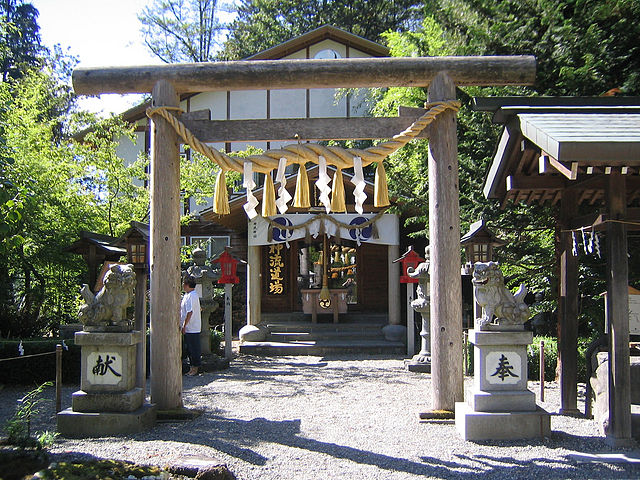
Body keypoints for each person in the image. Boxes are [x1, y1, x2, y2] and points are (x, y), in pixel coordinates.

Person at [180, 276, 202, 376]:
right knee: (189, 348)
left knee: (193, 348)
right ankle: (191, 367)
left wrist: (184, 325)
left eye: (184, 284)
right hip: (190, 326)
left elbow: (190, 311)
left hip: (192, 327)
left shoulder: (192, 295)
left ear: (187, 284)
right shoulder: (189, 295)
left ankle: (195, 368)